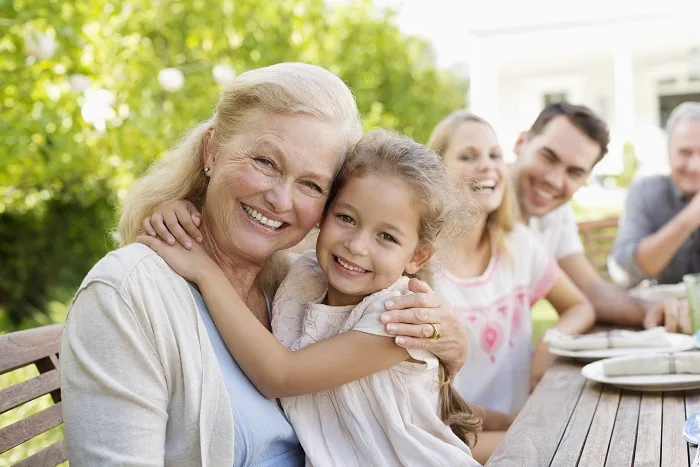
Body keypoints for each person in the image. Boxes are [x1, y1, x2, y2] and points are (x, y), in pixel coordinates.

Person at [59, 63, 469, 466]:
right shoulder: (127, 295)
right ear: (211, 151)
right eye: (265, 162)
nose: (280, 199)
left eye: (311, 184)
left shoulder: (290, 285)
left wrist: (453, 341)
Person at [138, 129, 482, 466]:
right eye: (346, 218)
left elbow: (280, 376)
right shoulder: (302, 277)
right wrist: (184, 211)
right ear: (322, 215)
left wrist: (206, 273)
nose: (357, 245)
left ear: (417, 257)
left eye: (387, 237)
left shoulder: (397, 316)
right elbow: (249, 240)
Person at [426, 111, 595, 463]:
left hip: (519, 430)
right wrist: (505, 425)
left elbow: (580, 307)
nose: (486, 166)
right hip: (447, 441)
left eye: (494, 155)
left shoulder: (520, 245)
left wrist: (546, 346)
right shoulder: (418, 262)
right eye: (468, 156)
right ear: (437, 170)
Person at [511, 102, 691, 333]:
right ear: (521, 143)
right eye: (548, 157)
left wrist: (660, 310)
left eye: (574, 172)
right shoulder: (476, 203)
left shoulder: (555, 213)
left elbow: (592, 292)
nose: (555, 181)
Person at [609, 102, 700, 288]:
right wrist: (689, 219)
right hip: (658, 311)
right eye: (685, 152)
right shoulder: (645, 191)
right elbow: (623, 272)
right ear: (668, 153)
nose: (695, 166)